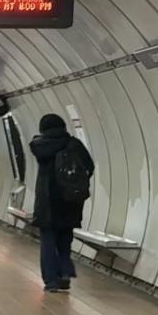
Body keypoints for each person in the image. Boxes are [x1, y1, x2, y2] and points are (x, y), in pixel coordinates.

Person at [29, 113, 95, 292]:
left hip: (47, 201)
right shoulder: (74, 144)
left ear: (42, 129)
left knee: (48, 242)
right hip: (70, 201)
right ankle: (64, 274)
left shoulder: (39, 146)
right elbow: (89, 166)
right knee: (65, 241)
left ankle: (51, 281)